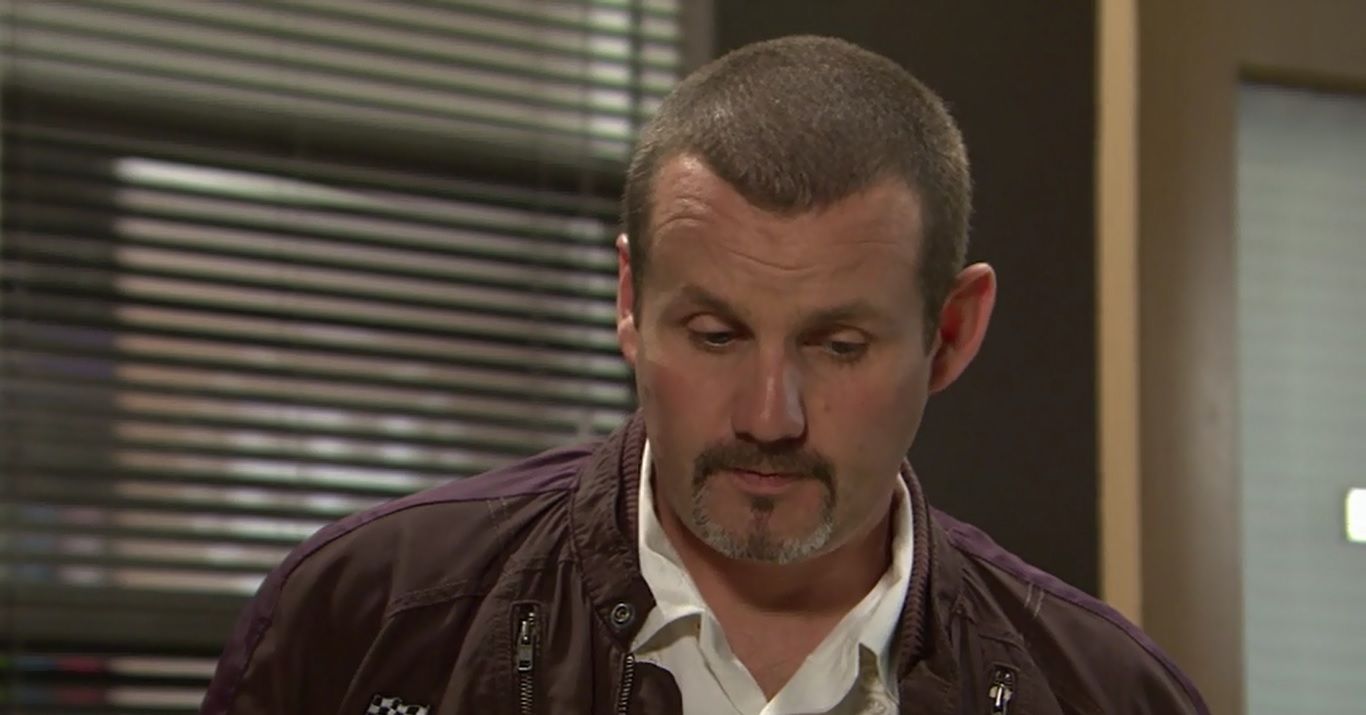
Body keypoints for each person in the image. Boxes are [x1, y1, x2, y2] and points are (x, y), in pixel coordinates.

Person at [201, 36, 1208, 715]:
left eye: (837, 346)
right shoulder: (366, 623)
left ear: (950, 332)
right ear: (630, 303)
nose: (769, 416)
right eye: (717, 334)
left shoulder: (1106, 694)